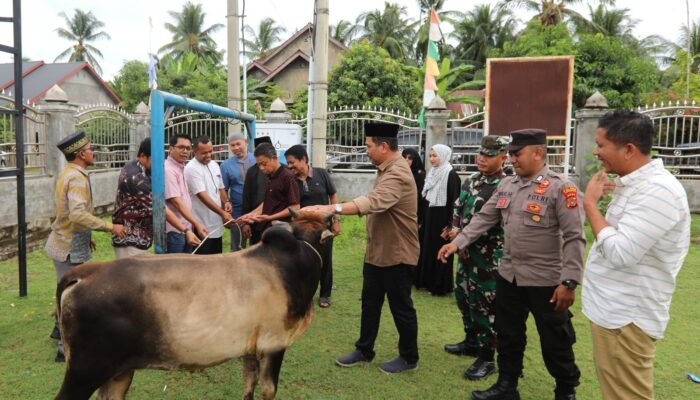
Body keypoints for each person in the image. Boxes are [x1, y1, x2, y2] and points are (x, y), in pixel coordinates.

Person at [438, 129, 585, 400]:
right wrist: (457, 243)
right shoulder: (508, 185)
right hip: (509, 277)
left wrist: (569, 281)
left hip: (546, 282)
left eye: (517, 154)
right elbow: (483, 219)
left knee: (555, 340)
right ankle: (507, 386)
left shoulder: (561, 188)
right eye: (512, 154)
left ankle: (565, 391)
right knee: (508, 335)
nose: (512, 159)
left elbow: (575, 237)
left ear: (538, 152)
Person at [582, 110, 690, 400]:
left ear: (628, 149)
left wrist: (590, 205)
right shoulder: (635, 184)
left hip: (626, 318)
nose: (596, 151)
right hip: (615, 312)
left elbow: (620, 252)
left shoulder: (657, 191)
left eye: (601, 144)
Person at [303, 121, 420, 374]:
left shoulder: (398, 172)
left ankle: (409, 357)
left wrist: (331, 208)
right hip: (378, 252)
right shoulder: (385, 169)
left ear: (384, 146)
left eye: (368, 146)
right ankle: (364, 350)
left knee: (401, 308)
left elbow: (374, 201)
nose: (365, 150)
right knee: (370, 303)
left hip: (397, 254)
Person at [44, 131, 127, 362]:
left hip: (69, 241)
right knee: (71, 297)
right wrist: (110, 227)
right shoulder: (77, 178)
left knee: (67, 292)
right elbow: (78, 214)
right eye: (90, 149)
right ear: (81, 154)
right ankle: (64, 347)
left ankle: (59, 333)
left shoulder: (70, 172)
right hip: (67, 245)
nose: (93, 152)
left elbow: (72, 215)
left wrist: (87, 235)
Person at [442, 135, 509, 381]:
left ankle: (487, 357)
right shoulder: (472, 180)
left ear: (503, 157)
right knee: (464, 297)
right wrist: (455, 229)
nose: (482, 159)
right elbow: (458, 208)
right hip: (466, 253)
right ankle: (471, 341)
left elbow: (492, 222)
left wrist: (462, 235)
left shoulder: (505, 185)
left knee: (485, 305)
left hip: (488, 257)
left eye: (489, 155)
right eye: (480, 154)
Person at [112, 138, 200, 259]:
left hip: (136, 237)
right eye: (155, 160)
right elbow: (160, 208)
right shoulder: (137, 179)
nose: (159, 164)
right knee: (134, 276)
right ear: (143, 156)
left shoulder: (134, 166)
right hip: (130, 240)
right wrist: (186, 231)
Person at [285, 144, 340, 308]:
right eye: (287, 163)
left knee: (326, 259)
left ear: (303, 159)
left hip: (322, 229)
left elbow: (334, 196)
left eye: (292, 162)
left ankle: (325, 294)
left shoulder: (321, 174)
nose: (289, 166)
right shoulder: (291, 180)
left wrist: (336, 220)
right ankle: (303, 293)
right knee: (301, 260)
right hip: (301, 231)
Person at [414, 144, 461, 295]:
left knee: (440, 251)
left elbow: (455, 201)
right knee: (427, 249)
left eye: (435, 156)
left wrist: (450, 225)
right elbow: (426, 197)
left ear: (444, 155)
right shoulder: (433, 172)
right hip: (430, 217)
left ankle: (440, 286)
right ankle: (426, 282)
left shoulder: (451, 174)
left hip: (442, 220)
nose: (432, 159)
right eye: (430, 156)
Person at [184, 135, 232, 254]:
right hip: (201, 225)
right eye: (204, 153)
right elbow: (202, 195)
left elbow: (220, 188)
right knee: (203, 264)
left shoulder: (214, 165)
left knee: (216, 260)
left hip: (216, 223)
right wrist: (222, 213)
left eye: (210, 151)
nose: (209, 155)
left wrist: (226, 202)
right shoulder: (191, 168)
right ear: (194, 152)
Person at [239, 141, 300, 231]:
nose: (261, 168)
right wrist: (251, 214)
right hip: (268, 227)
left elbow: (295, 207)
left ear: (274, 158)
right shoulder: (270, 176)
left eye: (264, 163)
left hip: (282, 229)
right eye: (259, 165)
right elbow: (268, 201)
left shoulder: (287, 176)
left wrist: (270, 217)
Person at [164, 133, 207, 254]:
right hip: (175, 230)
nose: (185, 151)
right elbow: (176, 202)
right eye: (181, 147)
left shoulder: (180, 167)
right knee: (175, 269)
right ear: (171, 148)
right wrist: (196, 223)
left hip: (185, 228)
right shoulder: (168, 170)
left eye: (188, 148)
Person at [221, 132, 256, 251]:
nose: (235, 148)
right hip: (238, 211)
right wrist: (226, 203)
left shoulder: (256, 159)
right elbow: (223, 189)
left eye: (238, 144)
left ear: (245, 142)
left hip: (258, 209)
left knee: (257, 245)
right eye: (232, 145)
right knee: (237, 246)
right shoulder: (226, 165)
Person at [241, 136, 272, 245]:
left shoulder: (284, 171)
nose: (263, 167)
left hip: (275, 222)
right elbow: (246, 197)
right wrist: (246, 223)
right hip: (255, 221)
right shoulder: (252, 171)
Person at [402, 148, 427, 239]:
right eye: (404, 157)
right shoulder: (401, 172)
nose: (406, 160)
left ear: (415, 159)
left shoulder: (419, 175)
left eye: (410, 158)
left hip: (415, 210)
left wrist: (419, 219)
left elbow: (420, 198)